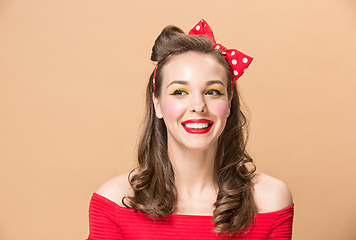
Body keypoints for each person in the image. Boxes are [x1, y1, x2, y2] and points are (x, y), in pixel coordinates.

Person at [86, 19, 294, 240]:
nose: (198, 106)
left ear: (230, 102)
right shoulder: (114, 200)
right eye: (179, 92)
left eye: (213, 91)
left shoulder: (271, 200)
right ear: (157, 104)